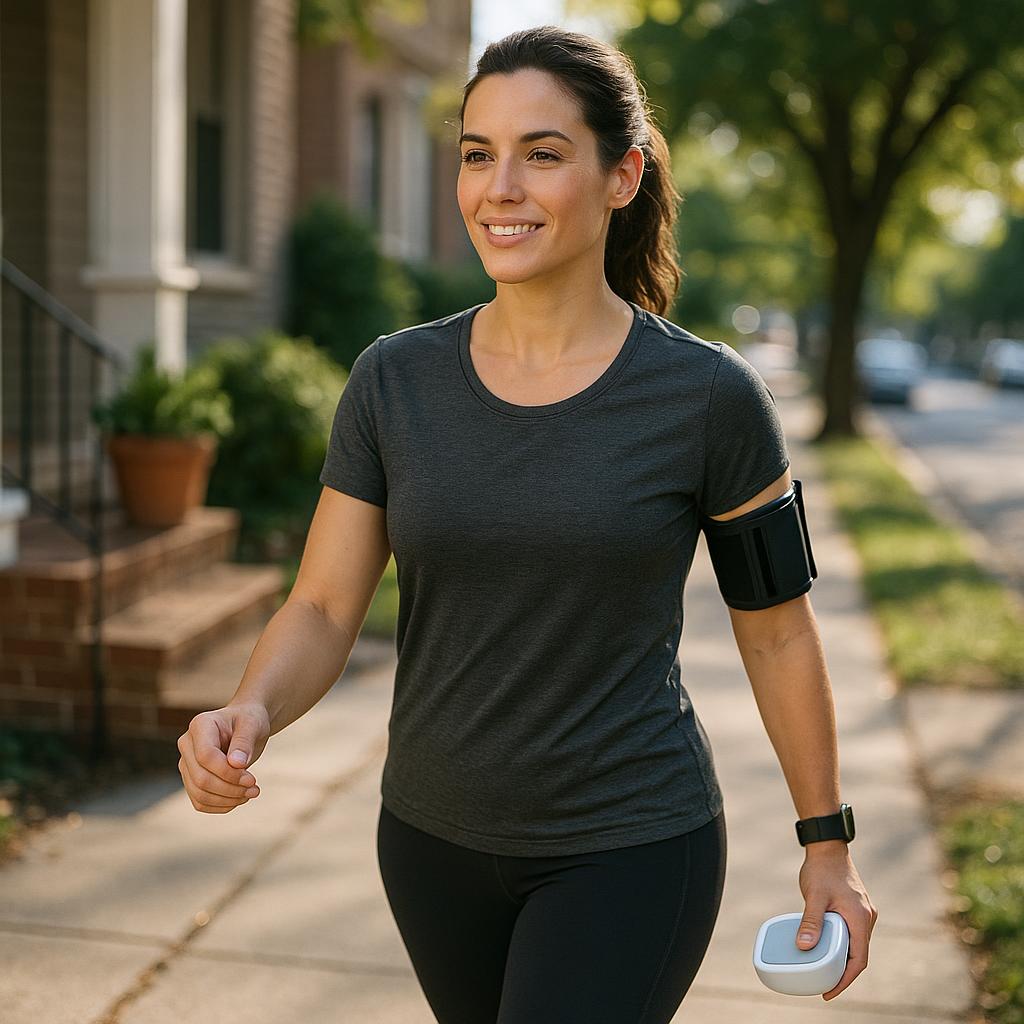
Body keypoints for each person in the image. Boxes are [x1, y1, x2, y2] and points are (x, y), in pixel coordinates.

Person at [176, 24, 877, 1024]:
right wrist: (249, 710)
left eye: (540, 154)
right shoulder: (393, 379)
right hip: (427, 843)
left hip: (630, 845)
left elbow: (775, 629)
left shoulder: (708, 397)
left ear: (621, 175)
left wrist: (827, 845)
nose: (497, 187)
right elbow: (326, 604)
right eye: (476, 154)